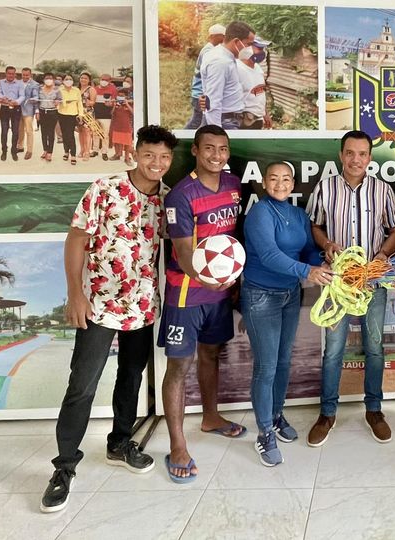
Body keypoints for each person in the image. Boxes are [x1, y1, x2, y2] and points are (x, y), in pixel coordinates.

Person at [40, 125, 178, 514]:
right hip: (98, 304)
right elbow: (76, 239)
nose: (156, 163)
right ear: (135, 153)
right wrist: (75, 294)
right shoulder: (105, 188)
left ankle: (119, 443)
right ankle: (64, 467)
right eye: (149, 155)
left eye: (164, 157)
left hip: (142, 306)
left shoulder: (167, 199)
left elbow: (178, 246)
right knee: (82, 385)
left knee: (131, 377)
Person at [159, 124, 248, 483]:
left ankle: (210, 417)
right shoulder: (181, 195)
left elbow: (232, 239)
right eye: (209, 148)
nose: (216, 155)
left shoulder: (233, 185)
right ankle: (177, 445)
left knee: (211, 354)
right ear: (195, 151)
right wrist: (209, 278)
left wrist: (232, 279)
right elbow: (183, 252)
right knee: (179, 365)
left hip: (220, 291)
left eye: (222, 149)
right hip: (187, 292)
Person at [305, 130, 395, 447]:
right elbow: (315, 225)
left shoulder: (382, 189)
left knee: (374, 347)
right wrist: (326, 244)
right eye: (350, 153)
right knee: (334, 349)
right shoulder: (326, 188)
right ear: (341, 155)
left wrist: (382, 255)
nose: (355, 159)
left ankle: (374, 409)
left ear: (370, 158)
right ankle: (327, 413)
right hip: (338, 283)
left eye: (362, 154)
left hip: (372, 282)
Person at [241, 162, 333, 466]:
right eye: (273, 178)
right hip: (261, 296)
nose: (280, 184)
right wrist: (309, 271)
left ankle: (276, 415)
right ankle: (264, 432)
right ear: (264, 182)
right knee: (266, 367)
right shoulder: (260, 213)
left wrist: (323, 259)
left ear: (293, 183)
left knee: (283, 361)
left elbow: (306, 250)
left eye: (285, 179)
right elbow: (269, 255)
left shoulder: (298, 214)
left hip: (290, 294)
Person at [201, 21, 253, 129]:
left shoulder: (226, 57)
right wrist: (216, 131)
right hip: (224, 121)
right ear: (236, 42)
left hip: (228, 119)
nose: (250, 49)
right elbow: (213, 101)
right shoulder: (220, 62)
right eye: (248, 44)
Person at [186, 23, 226, 130]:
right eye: (222, 36)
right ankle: (180, 138)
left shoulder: (211, 49)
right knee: (197, 122)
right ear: (213, 36)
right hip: (201, 94)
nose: (224, 39)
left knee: (199, 121)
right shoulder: (209, 51)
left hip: (200, 93)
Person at [236, 36, 272, 130]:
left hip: (258, 119)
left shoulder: (258, 68)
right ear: (246, 48)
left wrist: (265, 114)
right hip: (244, 121)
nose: (262, 52)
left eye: (263, 49)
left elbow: (260, 93)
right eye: (259, 48)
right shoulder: (237, 68)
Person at [0, 66, 24, 162]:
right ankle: (4, 151)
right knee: (4, 131)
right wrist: (3, 97)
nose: (11, 75)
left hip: (16, 108)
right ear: (6, 73)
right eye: (9, 73)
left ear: (15, 74)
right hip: (4, 107)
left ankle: (14, 151)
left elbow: (22, 95)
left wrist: (17, 102)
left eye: (13, 74)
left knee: (15, 131)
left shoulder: (19, 83)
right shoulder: (1, 82)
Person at [57, 74, 83, 165]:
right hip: (62, 114)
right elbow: (57, 102)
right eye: (66, 79)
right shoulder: (59, 90)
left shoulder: (76, 90)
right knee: (64, 135)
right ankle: (66, 152)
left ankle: (73, 155)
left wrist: (80, 114)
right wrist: (64, 102)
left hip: (73, 115)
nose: (68, 81)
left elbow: (79, 103)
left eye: (70, 79)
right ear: (63, 81)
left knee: (70, 134)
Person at [109, 76, 134, 166]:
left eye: (122, 96)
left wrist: (127, 104)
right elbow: (112, 113)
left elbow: (133, 112)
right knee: (117, 140)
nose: (120, 97)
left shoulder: (129, 102)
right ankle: (117, 154)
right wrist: (114, 106)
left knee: (127, 142)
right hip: (117, 125)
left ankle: (127, 158)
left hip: (126, 125)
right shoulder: (117, 103)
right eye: (119, 96)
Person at [37, 73, 62, 162]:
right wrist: (37, 112)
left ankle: (50, 152)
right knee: (43, 133)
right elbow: (37, 101)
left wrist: (58, 101)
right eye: (47, 78)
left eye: (51, 78)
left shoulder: (57, 90)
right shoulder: (39, 89)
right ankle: (45, 150)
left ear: (54, 80)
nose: (49, 80)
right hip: (42, 112)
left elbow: (60, 99)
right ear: (44, 80)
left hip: (52, 112)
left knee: (51, 133)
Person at [93, 73, 117, 160]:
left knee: (105, 134)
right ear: (100, 79)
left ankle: (104, 152)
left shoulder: (113, 89)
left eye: (106, 80)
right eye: (102, 79)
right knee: (95, 133)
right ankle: (95, 150)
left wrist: (111, 104)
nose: (104, 81)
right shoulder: (95, 89)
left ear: (110, 81)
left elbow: (114, 102)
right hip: (95, 114)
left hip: (106, 115)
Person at [17, 67, 39, 160]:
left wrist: (37, 110)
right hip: (18, 110)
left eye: (27, 75)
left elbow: (36, 97)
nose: (25, 77)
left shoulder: (35, 84)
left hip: (29, 110)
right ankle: (20, 146)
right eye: (23, 75)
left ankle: (29, 150)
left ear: (30, 75)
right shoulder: (17, 83)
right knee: (19, 129)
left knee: (29, 130)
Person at [77, 72, 96, 160]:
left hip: (88, 113)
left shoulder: (91, 89)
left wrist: (86, 102)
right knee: (80, 131)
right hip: (78, 113)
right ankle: (82, 150)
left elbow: (93, 102)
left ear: (89, 80)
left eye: (85, 78)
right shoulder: (77, 89)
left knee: (87, 132)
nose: (83, 79)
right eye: (82, 78)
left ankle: (87, 152)